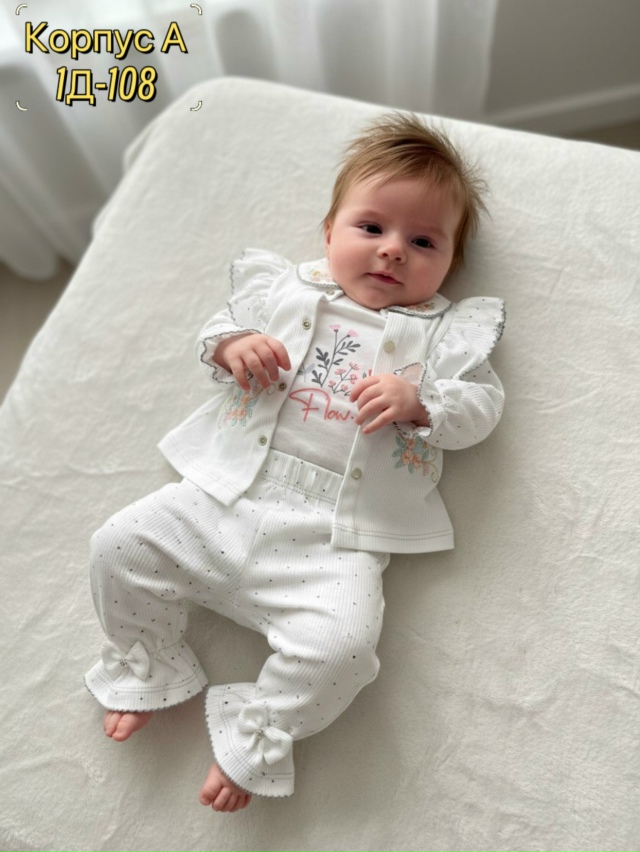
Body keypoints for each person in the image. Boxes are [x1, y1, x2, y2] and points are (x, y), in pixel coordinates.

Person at [84, 112, 505, 813]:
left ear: (449, 265)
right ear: (329, 232)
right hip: (224, 496)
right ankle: (148, 660)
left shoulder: (444, 335)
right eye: (371, 227)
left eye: (423, 241)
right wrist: (232, 347)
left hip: (333, 539)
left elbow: (480, 407)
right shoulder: (285, 290)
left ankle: (260, 729)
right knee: (116, 545)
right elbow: (219, 331)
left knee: (345, 651)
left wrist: (421, 400)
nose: (393, 251)